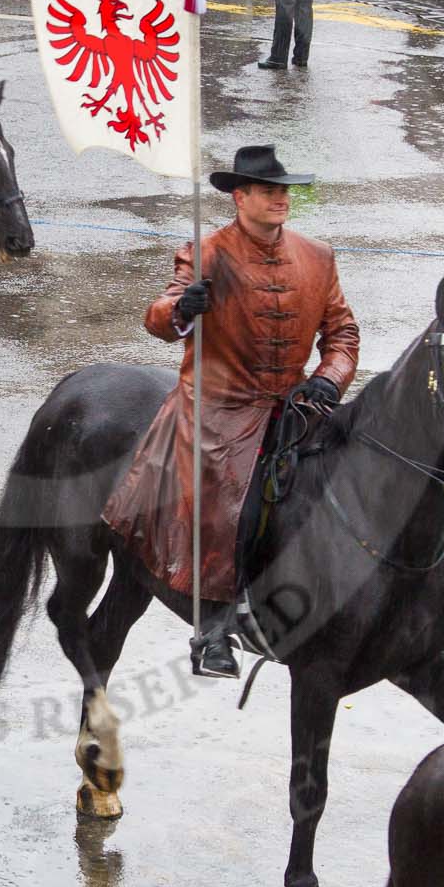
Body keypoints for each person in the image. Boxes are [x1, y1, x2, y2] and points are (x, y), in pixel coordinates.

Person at [101, 144, 359, 679]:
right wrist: (180, 309)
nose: (281, 200)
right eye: (269, 191)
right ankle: (215, 627)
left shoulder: (318, 256)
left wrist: (327, 382)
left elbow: (343, 336)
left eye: (285, 191)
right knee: (223, 499)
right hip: (219, 409)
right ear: (240, 197)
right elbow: (157, 318)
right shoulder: (206, 253)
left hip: (295, 405)